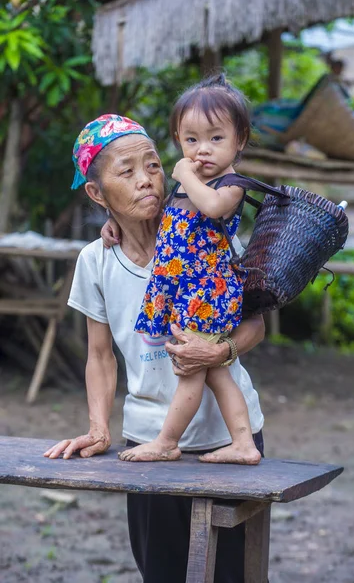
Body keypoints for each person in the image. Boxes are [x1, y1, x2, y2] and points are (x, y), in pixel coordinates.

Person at [43, 113, 265, 582]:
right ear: (97, 194)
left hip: (225, 438)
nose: (146, 180)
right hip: (147, 445)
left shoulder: (202, 227)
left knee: (233, 575)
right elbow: (100, 356)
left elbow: (255, 326)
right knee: (160, 573)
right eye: (127, 172)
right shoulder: (95, 260)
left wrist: (218, 353)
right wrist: (99, 428)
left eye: (154, 166)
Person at [111, 74, 260, 465]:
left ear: (239, 139)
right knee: (214, 373)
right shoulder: (182, 188)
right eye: (191, 140)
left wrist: (185, 173)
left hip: (206, 294)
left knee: (192, 369)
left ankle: (166, 441)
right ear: (178, 137)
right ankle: (243, 443)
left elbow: (212, 208)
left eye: (216, 138)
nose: (202, 150)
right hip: (182, 293)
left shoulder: (230, 184)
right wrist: (113, 222)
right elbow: (159, 221)